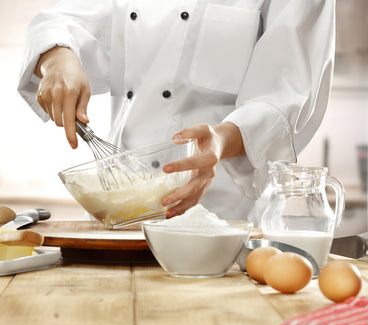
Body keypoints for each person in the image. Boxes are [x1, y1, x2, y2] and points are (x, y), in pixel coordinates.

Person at [18, 0, 336, 221]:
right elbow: (61, 21)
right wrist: (58, 61)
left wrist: (220, 141)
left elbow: (285, 95)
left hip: (216, 213)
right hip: (115, 208)